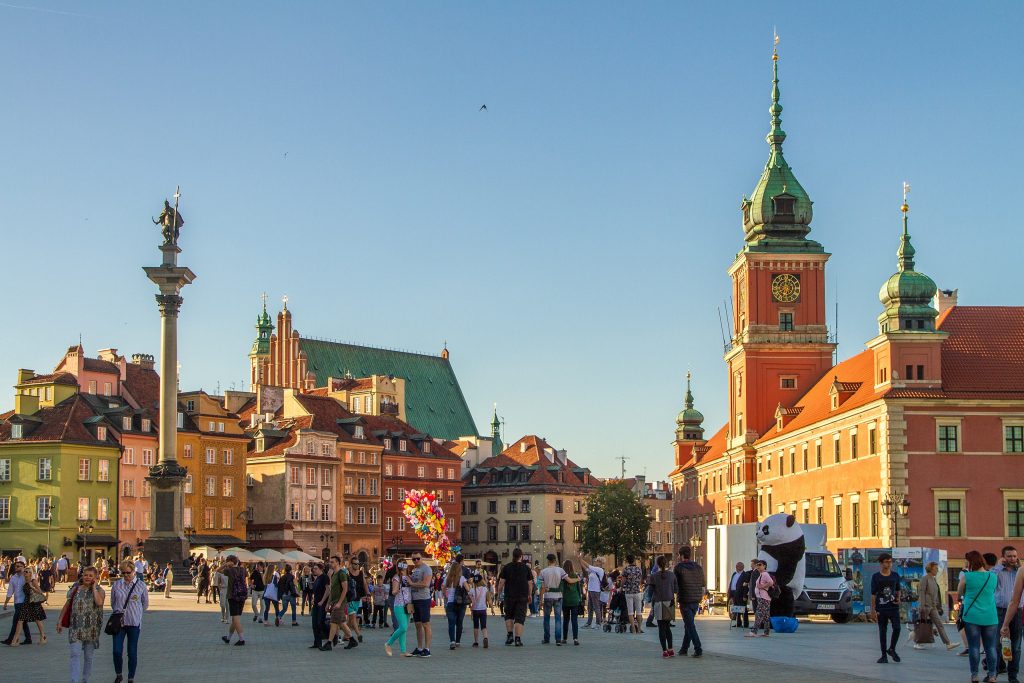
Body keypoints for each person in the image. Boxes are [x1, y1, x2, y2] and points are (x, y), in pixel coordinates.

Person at [57, 565, 105, 683]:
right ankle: (74, 680)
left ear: (96, 577)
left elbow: (99, 602)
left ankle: (85, 679)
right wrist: (59, 621)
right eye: (85, 575)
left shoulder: (100, 590)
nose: (87, 577)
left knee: (88, 656)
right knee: (75, 654)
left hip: (92, 627)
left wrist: (94, 587)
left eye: (90, 576)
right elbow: (67, 605)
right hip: (76, 627)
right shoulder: (75, 589)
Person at [959, 550, 999, 683]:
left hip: (972, 616)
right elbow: (992, 591)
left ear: (971, 562)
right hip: (990, 616)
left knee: (974, 647)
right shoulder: (992, 576)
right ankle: (992, 675)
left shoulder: (966, 576)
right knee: (991, 647)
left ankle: (975, 675)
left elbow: (959, 593)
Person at [111, 558, 149, 683]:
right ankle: (119, 674)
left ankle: (131, 677)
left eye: (128, 572)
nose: (126, 575)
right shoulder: (116, 585)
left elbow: (145, 604)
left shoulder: (141, 585)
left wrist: (136, 613)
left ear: (134, 571)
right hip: (119, 623)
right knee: (117, 651)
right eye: (123, 573)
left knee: (132, 652)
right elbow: (113, 603)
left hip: (134, 623)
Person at [916, 560, 959, 651]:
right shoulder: (925, 578)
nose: (937, 570)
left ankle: (948, 644)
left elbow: (936, 594)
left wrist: (937, 605)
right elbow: (922, 592)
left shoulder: (933, 579)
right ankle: (918, 642)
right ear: (930, 569)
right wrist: (922, 605)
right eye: (935, 568)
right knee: (922, 624)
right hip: (926, 606)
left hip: (933, 606)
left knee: (939, 624)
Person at [870, 552, 902, 664]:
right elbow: (873, 594)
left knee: (897, 628)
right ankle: (883, 655)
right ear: (881, 563)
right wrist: (873, 610)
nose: (889, 564)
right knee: (883, 631)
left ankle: (892, 648)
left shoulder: (895, 576)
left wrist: (898, 598)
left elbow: (898, 590)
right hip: (881, 608)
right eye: (886, 562)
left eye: (890, 562)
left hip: (893, 607)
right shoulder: (876, 577)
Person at [994, 546, 1021, 681]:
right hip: (1000, 610)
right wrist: (998, 566)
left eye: (1014, 556)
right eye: (1009, 556)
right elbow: (990, 580)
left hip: (1017, 611)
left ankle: (1013, 676)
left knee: (1015, 645)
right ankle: (993, 674)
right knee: (997, 644)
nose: (1012, 559)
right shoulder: (997, 571)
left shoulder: (1020, 572)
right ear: (1003, 557)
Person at [674, 546, 706, 657]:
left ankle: (698, 648)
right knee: (689, 624)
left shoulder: (679, 568)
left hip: (685, 599)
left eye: (679, 555)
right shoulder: (698, 567)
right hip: (696, 599)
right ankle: (684, 648)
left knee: (690, 625)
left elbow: (675, 584)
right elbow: (703, 583)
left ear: (681, 555)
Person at [497, 548, 532, 647]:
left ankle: (509, 636)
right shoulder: (526, 568)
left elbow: (501, 582)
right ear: (521, 556)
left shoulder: (507, 567)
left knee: (509, 616)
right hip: (522, 596)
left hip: (509, 596)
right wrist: (530, 594)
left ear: (513, 555)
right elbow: (530, 583)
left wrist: (499, 594)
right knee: (519, 618)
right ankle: (517, 639)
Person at [322, 556, 357, 651]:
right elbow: (332, 591)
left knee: (333, 622)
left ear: (337, 563)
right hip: (334, 602)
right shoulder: (333, 574)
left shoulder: (341, 574)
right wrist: (327, 603)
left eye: (332, 562)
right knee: (341, 623)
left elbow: (345, 589)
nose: (330, 563)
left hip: (340, 603)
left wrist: (339, 603)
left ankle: (329, 643)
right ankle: (352, 640)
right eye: (330, 562)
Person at [649, 555, 678, 657]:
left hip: (658, 602)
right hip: (669, 601)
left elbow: (650, 591)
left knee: (661, 628)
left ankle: (664, 651)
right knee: (667, 627)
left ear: (657, 564)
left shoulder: (654, 576)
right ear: (666, 563)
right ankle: (671, 649)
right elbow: (676, 589)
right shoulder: (672, 575)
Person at [12, 567, 48, 645]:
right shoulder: (24, 582)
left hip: (34, 603)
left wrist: (32, 587)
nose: (25, 573)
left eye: (27, 571)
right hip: (26, 603)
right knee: (20, 620)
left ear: (31, 573)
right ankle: (15, 640)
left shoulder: (33, 581)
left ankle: (43, 636)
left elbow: (40, 592)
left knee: (37, 620)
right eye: (25, 571)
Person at [408, 552, 434, 657]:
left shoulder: (426, 569)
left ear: (421, 558)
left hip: (423, 599)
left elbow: (425, 584)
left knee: (425, 624)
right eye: (414, 559)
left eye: (418, 559)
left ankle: (427, 648)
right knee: (417, 625)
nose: (416, 561)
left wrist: (411, 584)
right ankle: (419, 648)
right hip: (415, 599)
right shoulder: (413, 570)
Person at [538, 553, 567, 645]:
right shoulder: (560, 570)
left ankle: (546, 638)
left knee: (546, 618)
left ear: (548, 561)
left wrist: (540, 600)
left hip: (547, 596)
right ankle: (558, 639)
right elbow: (567, 580)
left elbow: (542, 587)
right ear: (555, 560)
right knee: (558, 618)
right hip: (558, 596)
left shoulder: (543, 571)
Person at [385, 561, 412, 656]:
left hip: (408, 605)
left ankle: (403, 651)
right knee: (403, 627)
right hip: (399, 605)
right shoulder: (396, 578)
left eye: (405, 565)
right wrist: (397, 589)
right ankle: (388, 643)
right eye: (401, 565)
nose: (403, 567)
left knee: (404, 629)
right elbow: (394, 591)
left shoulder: (408, 577)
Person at [2, 560, 33, 644]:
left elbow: (33, 582)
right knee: (23, 621)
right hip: (17, 602)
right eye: (16, 566)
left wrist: (25, 572)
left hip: (25, 602)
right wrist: (5, 603)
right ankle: (28, 639)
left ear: (23, 567)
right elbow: (10, 591)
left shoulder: (27, 575)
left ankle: (10, 639)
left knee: (16, 621)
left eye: (19, 566)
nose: (17, 567)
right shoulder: (13, 577)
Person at [221, 555, 248, 646]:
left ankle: (242, 639)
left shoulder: (229, 570)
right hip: (242, 596)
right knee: (235, 619)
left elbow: (217, 570)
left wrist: (225, 564)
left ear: (230, 562)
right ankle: (228, 638)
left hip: (232, 596)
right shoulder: (243, 569)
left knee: (236, 619)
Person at [444, 554, 469, 649]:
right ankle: (458, 641)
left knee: (451, 623)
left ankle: (452, 641)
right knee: (459, 623)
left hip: (450, 603)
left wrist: (447, 596)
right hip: (460, 603)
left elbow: (443, 590)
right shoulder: (461, 579)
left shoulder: (447, 579)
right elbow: (468, 589)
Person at [746, 559, 774, 637]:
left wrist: (762, 586)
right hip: (763, 598)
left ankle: (754, 632)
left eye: (760, 565)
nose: (758, 566)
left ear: (764, 566)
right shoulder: (761, 574)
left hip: (763, 598)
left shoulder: (765, 574)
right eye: (757, 565)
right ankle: (766, 632)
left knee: (759, 614)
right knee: (766, 616)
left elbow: (771, 582)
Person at [559, 561, 583, 646]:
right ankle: (575, 638)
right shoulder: (576, 575)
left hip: (566, 600)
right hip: (575, 600)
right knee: (574, 620)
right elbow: (578, 589)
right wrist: (580, 599)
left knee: (566, 620)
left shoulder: (563, 577)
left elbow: (561, 588)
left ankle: (564, 638)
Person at [578, 556, 606, 628]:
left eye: (597, 561)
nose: (596, 562)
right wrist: (579, 560)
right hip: (590, 590)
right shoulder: (593, 570)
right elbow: (585, 568)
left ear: (601, 563)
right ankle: (588, 623)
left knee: (596, 607)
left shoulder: (599, 570)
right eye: (596, 561)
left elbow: (588, 566)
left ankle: (598, 623)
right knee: (590, 607)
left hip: (596, 590)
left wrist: (581, 559)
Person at [622, 554, 645, 634]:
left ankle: (633, 629)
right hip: (637, 591)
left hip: (628, 592)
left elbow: (623, 581)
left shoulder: (626, 569)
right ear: (634, 560)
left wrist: (622, 587)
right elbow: (640, 580)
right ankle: (639, 628)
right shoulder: (639, 569)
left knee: (630, 612)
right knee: (639, 611)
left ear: (627, 561)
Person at [347, 558, 368, 642]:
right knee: (353, 617)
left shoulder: (360, 573)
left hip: (358, 598)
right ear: (351, 564)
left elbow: (365, 583)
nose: (357, 565)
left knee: (351, 619)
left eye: (358, 564)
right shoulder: (347, 572)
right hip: (349, 598)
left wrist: (368, 594)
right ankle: (358, 634)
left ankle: (346, 635)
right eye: (355, 564)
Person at [309, 562, 329, 650]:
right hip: (316, 603)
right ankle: (317, 642)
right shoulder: (317, 578)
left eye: (316, 568)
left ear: (321, 569)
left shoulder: (324, 577)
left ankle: (332, 635)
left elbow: (328, 590)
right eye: (314, 568)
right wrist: (313, 598)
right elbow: (315, 591)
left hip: (322, 603)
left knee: (320, 622)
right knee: (314, 624)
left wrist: (322, 601)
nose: (314, 570)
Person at [468, 571, 491, 648]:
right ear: (481, 581)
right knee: (484, 626)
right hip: (483, 610)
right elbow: (489, 599)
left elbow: (470, 600)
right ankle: (485, 637)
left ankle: (476, 642)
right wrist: (492, 608)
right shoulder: (485, 589)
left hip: (475, 610)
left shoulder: (472, 590)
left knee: (476, 626)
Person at [729, 561, 750, 629]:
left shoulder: (745, 574)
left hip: (741, 595)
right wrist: (729, 591)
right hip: (733, 593)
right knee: (736, 608)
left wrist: (745, 596)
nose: (736, 567)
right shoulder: (734, 574)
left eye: (738, 566)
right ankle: (738, 623)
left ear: (742, 567)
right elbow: (731, 583)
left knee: (743, 609)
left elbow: (745, 587)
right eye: (736, 566)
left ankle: (746, 623)